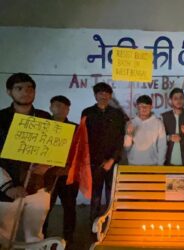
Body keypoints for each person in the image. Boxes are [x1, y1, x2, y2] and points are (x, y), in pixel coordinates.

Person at [0, 73, 51, 245]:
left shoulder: (45, 118)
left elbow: (52, 149)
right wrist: (7, 187)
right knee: (5, 237)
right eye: (19, 88)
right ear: (9, 92)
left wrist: (48, 164)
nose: (26, 92)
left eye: (30, 88)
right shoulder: (1, 119)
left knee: (35, 237)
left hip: (37, 188)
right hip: (6, 192)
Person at [81, 82, 126, 224]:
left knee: (111, 194)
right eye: (100, 93)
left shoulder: (118, 114)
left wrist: (112, 159)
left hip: (112, 162)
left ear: (110, 96)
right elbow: (83, 138)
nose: (103, 96)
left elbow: (120, 139)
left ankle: (110, 222)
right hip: (94, 162)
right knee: (95, 196)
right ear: (95, 95)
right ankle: (94, 224)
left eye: (106, 93)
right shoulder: (87, 113)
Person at [42, 95, 79, 248]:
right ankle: (41, 236)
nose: (60, 109)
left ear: (68, 109)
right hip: (47, 176)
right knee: (45, 207)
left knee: (69, 206)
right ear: (51, 107)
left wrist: (69, 167)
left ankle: (68, 237)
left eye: (64, 107)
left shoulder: (76, 128)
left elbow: (80, 153)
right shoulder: (43, 126)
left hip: (68, 175)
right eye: (57, 106)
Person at [124, 95, 166, 165]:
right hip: (133, 165)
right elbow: (126, 148)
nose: (144, 108)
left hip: (152, 165)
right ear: (137, 107)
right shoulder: (131, 123)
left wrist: (160, 165)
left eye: (146, 106)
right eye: (141, 106)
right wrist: (129, 135)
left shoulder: (158, 123)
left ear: (151, 107)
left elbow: (162, 146)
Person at [161, 88, 184, 166]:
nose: (179, 101)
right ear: (171, 101)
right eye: (175, 98)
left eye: (181, 98)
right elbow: (159, 138)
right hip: (168, 161)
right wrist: (170, 138)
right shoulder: (164, 116)